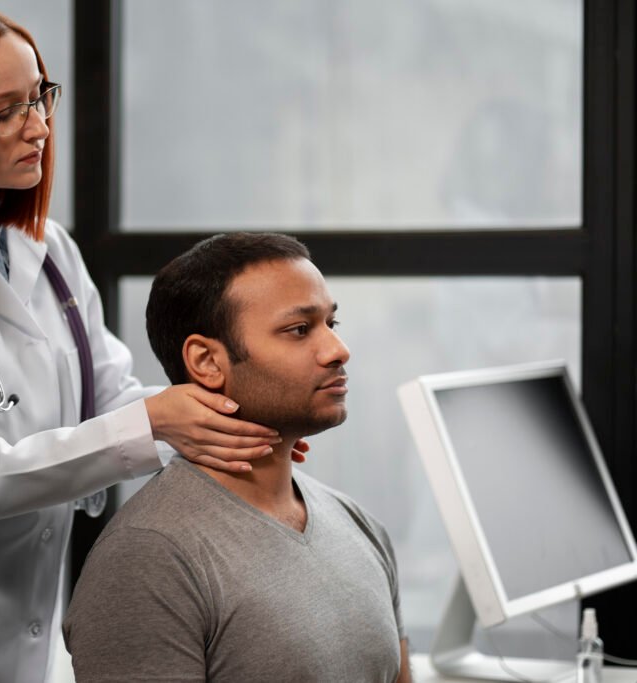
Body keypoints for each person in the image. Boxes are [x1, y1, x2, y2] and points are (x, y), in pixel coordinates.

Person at [0, 5, 301, 683]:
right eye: (4, 111)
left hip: (34, 640)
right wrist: (158, 422)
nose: (39, 126)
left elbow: (115, 399)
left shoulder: (48, 250)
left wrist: (227, 424)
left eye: (39, 95)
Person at [63, 233, 412, 682]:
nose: (337, 350)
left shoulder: (359, 525)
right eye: (299, 330)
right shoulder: (148, 560)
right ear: (207, 362)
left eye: (331, 324)